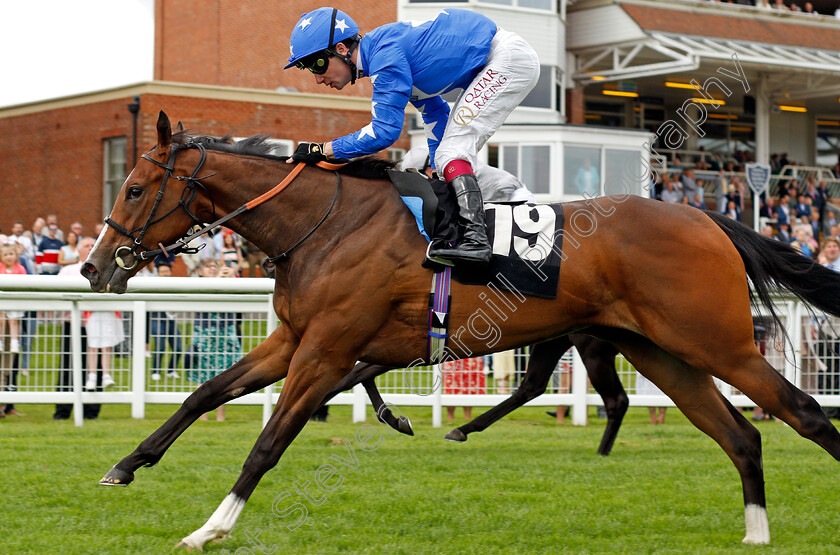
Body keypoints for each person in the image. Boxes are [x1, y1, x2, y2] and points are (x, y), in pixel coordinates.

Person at [285, 7, 540, 266]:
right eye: (308, 68)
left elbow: (383, 132)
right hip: (500, 58)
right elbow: (435, 111)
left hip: (506, 59)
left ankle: (476, 241)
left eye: (317, 64)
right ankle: (460, 235)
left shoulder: (384, 57)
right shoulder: (382, 52)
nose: (317, 79)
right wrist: (441, 173)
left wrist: (323, 149)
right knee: (444, 158)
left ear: (341, 49)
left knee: (451, 153)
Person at [55, 237, 104, 420]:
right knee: (68, 366)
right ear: (78, 251)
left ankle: (92, 411)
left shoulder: (103, 270)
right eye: (87, 245)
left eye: (93, 245)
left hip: (96, 324)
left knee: (96, 367)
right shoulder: (67, 271)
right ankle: (63, 410)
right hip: (73, 325)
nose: (91, 247)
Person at [189, 258, 241, 421]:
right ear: (200, 272)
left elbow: (243, 296)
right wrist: (219, 278)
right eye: (208, 266)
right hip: (204, 332)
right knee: (202, 376)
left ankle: (220, 417)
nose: (212, 268)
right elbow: (202, 298)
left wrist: (232, 279)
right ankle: (202, 416)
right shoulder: (197, 285)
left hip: (226, 331)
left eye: (215, 266)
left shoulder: (229, 282)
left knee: (225, 376)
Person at [400, 145, 535, 203]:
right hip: (503, 195)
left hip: (514, 198)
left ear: (429, 169)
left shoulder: (451, 172)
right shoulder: (446, 166)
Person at [149, 260, 183, 382]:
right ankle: (156, 371)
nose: (165, 273)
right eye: (162, 272)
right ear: (158, 273)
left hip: (172, 319)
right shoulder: (153, 285)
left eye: (166, 271)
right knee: (160, 346)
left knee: (178, 347)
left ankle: (171, 370)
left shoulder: (174, 284)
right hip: (158, 317)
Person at [0, 244, 26, 353]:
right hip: (2, 299)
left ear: (16, 255)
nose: (8, 257)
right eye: (5, 255)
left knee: (14, 320)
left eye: (11, 254)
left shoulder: (20, 268)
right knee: (1, 320)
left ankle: (14, 342)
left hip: (15, 299)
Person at [442, 356, 486, 421]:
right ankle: (450, 415)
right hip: (452, 352)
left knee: (470, 383)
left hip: (471, 353)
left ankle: (467, 415)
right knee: (451, 382)